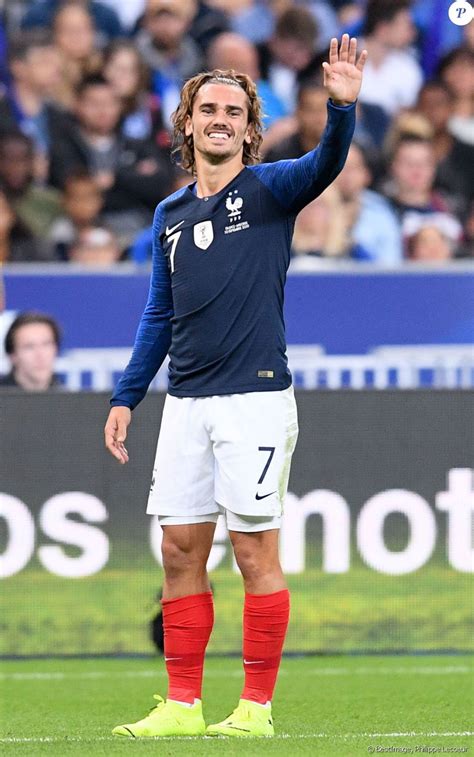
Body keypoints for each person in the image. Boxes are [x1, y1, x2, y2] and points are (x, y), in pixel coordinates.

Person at [104, 34, 366, 739]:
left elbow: (327, 163)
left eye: (233, 111)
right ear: (186, 123)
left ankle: (254, 707)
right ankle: (182, 705)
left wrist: (340, 110)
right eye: (207, 108)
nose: (219, 119)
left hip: (253, 399)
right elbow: (159, 310)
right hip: (185, 403)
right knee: (180, 550)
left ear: (250, 130)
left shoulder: (271, 187)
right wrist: (127, 395)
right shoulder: (168, 215)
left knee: (254, 551)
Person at [0, 312, 61, 390]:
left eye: (46, 344)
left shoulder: (70, 400)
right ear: (13, 356)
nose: (40, 355)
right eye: (29, 347)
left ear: (56, 349)